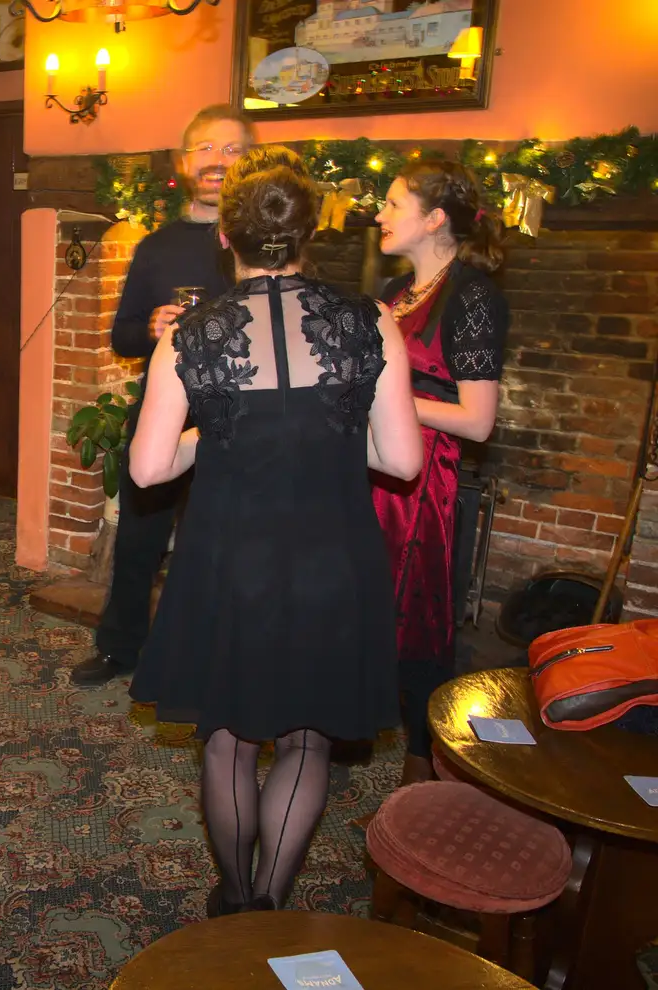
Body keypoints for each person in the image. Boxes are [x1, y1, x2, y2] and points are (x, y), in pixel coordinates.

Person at [127, 151, 423, 915]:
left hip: (230, 560)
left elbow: (151, 469)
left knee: (227, 738)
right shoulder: (371, 322)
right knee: (306, 738)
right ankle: (271, 896)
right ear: (312, 231)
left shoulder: (190, 334)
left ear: (227, 236)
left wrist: (223, 435)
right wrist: (319, 432)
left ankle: (233, 896)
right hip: (332, 559)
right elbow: (401, 458)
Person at [71, 104, 255, 687]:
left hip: (237, 418)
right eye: (205, 148)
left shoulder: (262, 246)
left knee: (223, 543)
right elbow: (120, 335)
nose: (217, 162)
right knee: (138, 540)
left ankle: (211, 655)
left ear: (250, 161)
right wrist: (149, 326)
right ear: (184, 161)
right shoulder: (155, 246)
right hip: (163, 414)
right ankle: (120, 647)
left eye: (231, 150)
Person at [372, 160, 510, 785]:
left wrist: (386, 397)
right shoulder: (395, 293)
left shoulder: (473, 295)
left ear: (433, 220)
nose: (379, 212)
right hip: (376, 466)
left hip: (426, 481)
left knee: (418, 615)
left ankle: (421, 765)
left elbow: (478, 421)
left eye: (393, 203)